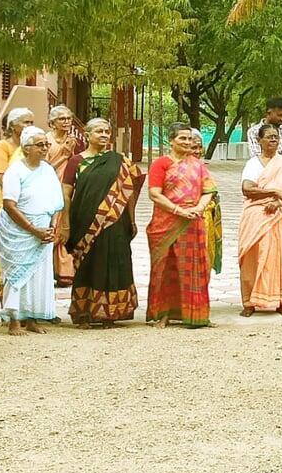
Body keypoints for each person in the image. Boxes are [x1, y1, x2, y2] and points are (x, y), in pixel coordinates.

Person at [66, 118, 140, 326]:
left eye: (107, 132)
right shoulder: (77, 161)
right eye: (99, 131)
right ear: (87, 135)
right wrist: (64, 223)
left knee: (115, 262)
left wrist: (132, 220)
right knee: (87, 264)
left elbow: (129, 191)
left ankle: (111, 313)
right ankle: (84, 312)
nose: (104, 135)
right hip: (84, 222)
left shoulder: (120, 161)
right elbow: (66, 193)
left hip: (116, 221)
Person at [146, 126, 219, 328]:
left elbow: (209, 190)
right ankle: (164, 314)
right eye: (183, 138)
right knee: (166, 267)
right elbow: (154, 193)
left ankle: (196, 314)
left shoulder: (197, 165)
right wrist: (179, 211)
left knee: (195, 267)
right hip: (167, 221)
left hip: (193, 221)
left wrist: (198, 208)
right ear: (171, 140)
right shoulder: (161, 164)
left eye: (190, 139)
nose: (187, 142)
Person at [0, 127, 62, 335]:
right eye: (39, 145)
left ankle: (32, 318)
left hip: (43, 228)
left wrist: (51, 227)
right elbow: (9, 204)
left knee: (39, 275)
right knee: (16, 275)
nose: (44, 148)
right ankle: (14, 320)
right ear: (26, 148)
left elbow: (56, 202)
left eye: (46, 144)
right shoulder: (15, 170)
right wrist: (33, 229)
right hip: (20, 229)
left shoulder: (48, 170)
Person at [239, 125, 282, 316]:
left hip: (280, 215)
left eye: (276, 137)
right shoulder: (253, 164)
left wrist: (279, 201)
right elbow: (247, 189)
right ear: (259, 140)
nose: (273, 140)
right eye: (269, 137)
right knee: (252, 257)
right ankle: (249, 302)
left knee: (280, 256)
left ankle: (281, 302)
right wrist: (274, 192)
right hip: (255, 214)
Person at [0, 108, 34, 293]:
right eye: (26, 122)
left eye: (31, 123)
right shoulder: (3, 146)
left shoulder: (33, 147)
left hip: (30, 204)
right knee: (7, 251)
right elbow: (3, 177)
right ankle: (6, 294)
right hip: (7, 203)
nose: (30, 126)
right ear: (13, 126)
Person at [45, 104, 84, 286]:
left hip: (69, 187)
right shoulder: (45, 141)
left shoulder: (74, 140)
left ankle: (64, 270)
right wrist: (64, 155)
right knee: (54, 225)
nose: (66, 122)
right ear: (52, 122)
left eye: (69, 118)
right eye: (62, 119)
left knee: (66, 224)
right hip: (50, 187)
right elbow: (42, 170)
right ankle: (49, 268)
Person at [247, 97, 282, 170]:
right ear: (268, 112)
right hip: (266, 177)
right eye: (279, 115)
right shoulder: (254, 132)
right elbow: (257, 159)